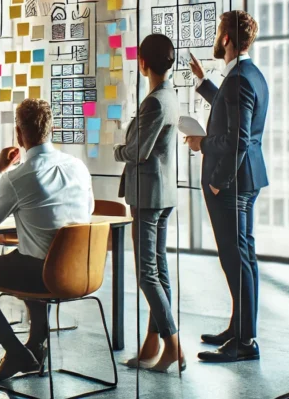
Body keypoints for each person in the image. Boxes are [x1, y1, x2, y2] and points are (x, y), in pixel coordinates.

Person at [0, 98, 95, 382]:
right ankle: (36, 344)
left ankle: (17, 352)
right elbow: (89, 210)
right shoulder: (78, 167)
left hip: (42, 275)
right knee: (28, 254)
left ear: (19, 135)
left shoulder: (18, 177)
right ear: (52, 130)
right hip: (81, 272)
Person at [186, 11, 269, 363]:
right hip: (246, 179)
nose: (217, 38)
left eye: (220, 32)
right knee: (242, 257)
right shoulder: (248, 76)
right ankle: (239, 329)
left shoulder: (239, 80)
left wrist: (210, 162)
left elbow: (238, 138)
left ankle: (245, 342)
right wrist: (205, 83)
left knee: (236, 259)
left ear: (227, 40)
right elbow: (232, 114)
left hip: (232, 183)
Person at [114, 34, 183, 373]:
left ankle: (172, 347)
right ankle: (153, 343)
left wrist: (118, 149)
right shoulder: (168, 95)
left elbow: (137, 151)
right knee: (159, 270)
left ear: (143, 63)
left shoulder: (155, 101)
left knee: (147, 274)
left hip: (149, 196)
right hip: (162, 192)